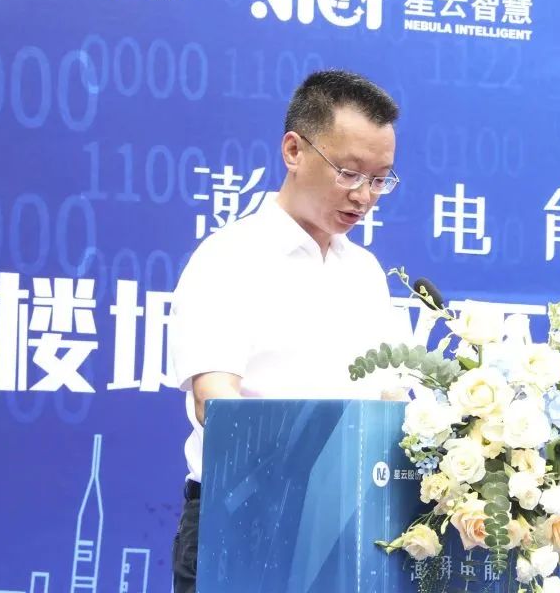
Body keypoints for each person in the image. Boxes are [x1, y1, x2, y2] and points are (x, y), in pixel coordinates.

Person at [168, 69, 404, 593]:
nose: (364, 196)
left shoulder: (365, 271)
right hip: (246, 519)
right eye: (349, 173)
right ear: (294, 150)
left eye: (380, 179)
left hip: (351, 522)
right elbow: (214, 401)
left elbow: (390, 396)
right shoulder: (228, 257)